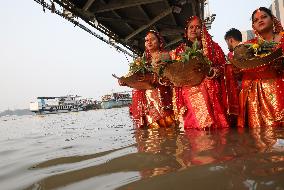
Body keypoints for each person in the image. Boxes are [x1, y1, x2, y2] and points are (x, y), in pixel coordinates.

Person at [170, 16, 229, 129]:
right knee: (196, 128)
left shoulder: (214, 48)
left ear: (203, 30)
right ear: (186, 32)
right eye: (191, 27)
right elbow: (174, 71)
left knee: (214, 126)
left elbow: (224, 67)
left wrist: (214, 72)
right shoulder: (178, 51)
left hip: (211, 89)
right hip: (188, 91)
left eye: (197, 27)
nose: (193, 30)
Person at [237, 7, 284, 128]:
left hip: (280, 88)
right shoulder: (249, 46)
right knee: (261, 136)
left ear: (272, 20)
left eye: (264, 17)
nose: (260, 20)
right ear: (253, 26)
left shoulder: (282, 39)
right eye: (256, 20)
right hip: (256, 94)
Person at [119, 30, 176, 128]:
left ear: (159, 41)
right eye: (146, 40)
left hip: (162, 97)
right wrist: (125, 81)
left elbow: (172, 76)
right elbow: (133, 77)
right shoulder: (141, 61)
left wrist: (153, 77)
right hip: (146, 100)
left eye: (152, 39)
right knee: (151, 133)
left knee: (168, 128)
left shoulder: (168, 56)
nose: (149, 42)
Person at [224, 28, 243, 126]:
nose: (227, 46)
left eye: (227, 42)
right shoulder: (249, 48)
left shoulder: (234, 54)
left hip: (241, 92)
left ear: (230, 40)